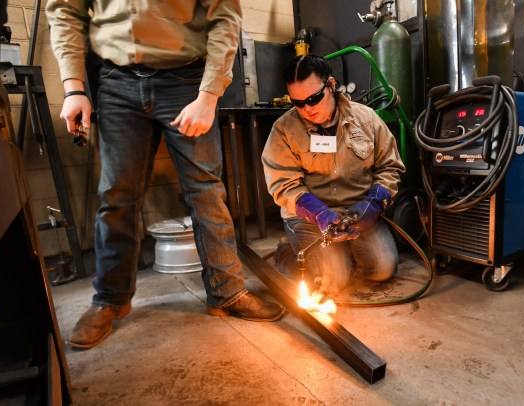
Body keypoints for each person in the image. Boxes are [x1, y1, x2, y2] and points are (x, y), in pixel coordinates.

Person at [45, 0, 284, 349]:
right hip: (116, 80)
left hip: (186, 80)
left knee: (206, 192)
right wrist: (74, 87)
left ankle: (227, 293)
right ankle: (110, 300)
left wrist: (208, 95)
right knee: (116, 196)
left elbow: (225, 17)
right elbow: (65, 10)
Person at [261, 54, 406, 298]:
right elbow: (283, 185)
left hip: (357, 211)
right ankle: (287, 253)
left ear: (331, 84)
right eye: (298, 102)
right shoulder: (284, 130)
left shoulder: (367, 119)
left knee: (382, 269)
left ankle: (343, 255)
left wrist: (372, 205)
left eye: (314, 98)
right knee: (331, 280)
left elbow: (389, 168)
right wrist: (318, 213)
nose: (307, 108)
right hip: (309, 216)